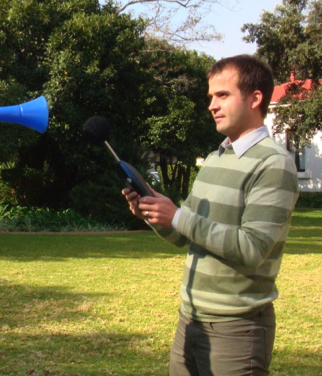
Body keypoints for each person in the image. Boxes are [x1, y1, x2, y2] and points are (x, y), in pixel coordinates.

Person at [123, 55, 299, 376]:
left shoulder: (274, 164)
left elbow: (252, 249)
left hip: (238, 329)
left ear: (255, 98)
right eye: (210, 97)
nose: (211, 106)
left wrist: (177, 215)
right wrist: (152, 212)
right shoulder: (216, 159)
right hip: (190, 320)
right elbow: (182, 235)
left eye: (223, 95)